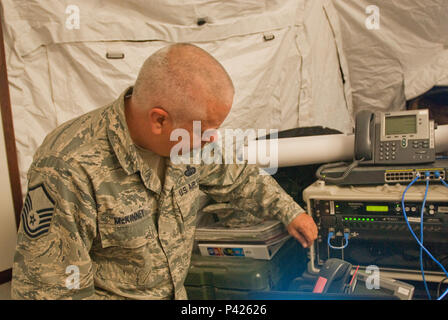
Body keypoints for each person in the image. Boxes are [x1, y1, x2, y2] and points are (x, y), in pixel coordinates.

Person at [11, 43, 318, 300]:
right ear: (159, 120)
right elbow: (49, 289)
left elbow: (236, 177)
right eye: (206, 129)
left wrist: (291, 212)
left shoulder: (188, 139)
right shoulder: (69, 167)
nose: (211, 139)